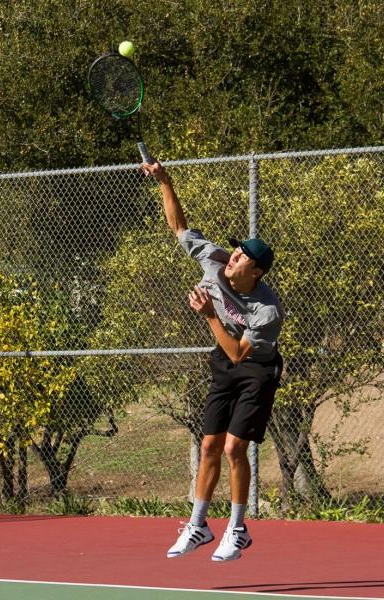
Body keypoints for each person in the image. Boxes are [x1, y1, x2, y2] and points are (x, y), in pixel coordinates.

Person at [142, 160, 284, 562]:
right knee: (209, 446)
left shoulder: (267, 311)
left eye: (241, 258)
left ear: (254, 272)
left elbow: (241, 353)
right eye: (236, 251)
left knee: (235, 448)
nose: (233, 256)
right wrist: (165, 181)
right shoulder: (213, 260)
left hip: (257, 368)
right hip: (222, 361)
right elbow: (179, 227)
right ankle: (199, 525)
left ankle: (237, 531)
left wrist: (208, 315)